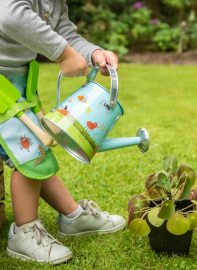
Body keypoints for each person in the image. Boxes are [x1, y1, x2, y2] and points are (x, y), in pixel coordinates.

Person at [0, 0, 126, 265]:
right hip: (3, 86)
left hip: (17, 84)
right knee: (32, 156)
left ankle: (73, 216)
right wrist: (64, 54)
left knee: (38, 152)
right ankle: (25, 231)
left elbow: (64, 33)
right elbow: (9, 15)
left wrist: (93, 52)